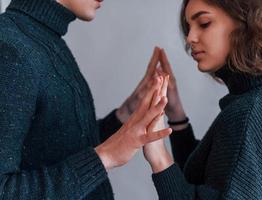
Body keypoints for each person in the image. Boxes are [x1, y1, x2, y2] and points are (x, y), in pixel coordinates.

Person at [119, 0, 262, 199]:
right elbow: (206, 179)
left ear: (246, 23)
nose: (190, 38)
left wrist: (158, 156)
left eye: (203, 23)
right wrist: (176, 115)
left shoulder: (250, 112)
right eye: (189, 27)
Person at [0, 0, 172, 199]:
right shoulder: (10, 48)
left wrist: (127, 112)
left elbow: (58, 146)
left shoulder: (43, 38)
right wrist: (105, 157)